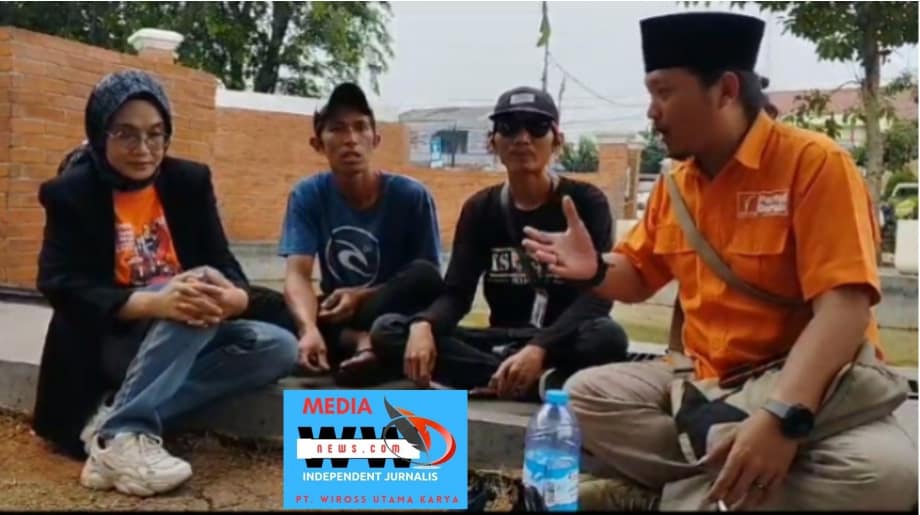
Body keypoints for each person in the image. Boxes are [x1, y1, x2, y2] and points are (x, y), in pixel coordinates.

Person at [521, 12, 917, 511]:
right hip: (707, 385)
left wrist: (780, 418)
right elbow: (639, 275)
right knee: (584, 397)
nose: (651, 112)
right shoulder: (675, 184)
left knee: (886, 477)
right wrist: (595, 269)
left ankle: (661, 497)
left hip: (812, 384)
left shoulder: (815, 166)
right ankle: (722, 484)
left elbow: (845, 311)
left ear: (726, 90)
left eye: (664, 92)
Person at [32, 70, 298, 497]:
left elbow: (222, 262)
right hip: (111, 339)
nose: (143, 149)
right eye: (126, 134)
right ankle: (124, 433)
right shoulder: (71, 193)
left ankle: (113, 425)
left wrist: (233, 297)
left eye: (155, 134)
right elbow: (60, 284)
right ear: (100, 135)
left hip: (183, 332)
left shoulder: (188, 182)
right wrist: (154, 303)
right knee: (189, 292)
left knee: (277, 346)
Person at [370, 86, 629, 402]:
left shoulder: (586, 202)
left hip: (563, 340)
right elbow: (457, 294)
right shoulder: (481, 208)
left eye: (537, 127)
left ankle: (498, 376)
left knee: (608, 337)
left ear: (557, 140)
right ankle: (534, 383)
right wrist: (425, 324)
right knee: (389, 330)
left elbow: (598, 297)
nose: (523, 138)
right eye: (509, 127)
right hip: (500, 338)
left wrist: (539, 348)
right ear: (492, 142)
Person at [278, 82, 444, 386]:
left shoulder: (411, 195)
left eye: (360, 127)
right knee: (266, 305)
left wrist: (362, 296)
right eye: (337, 129)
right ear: (317, 144)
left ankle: (363, 345)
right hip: (337, 314)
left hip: (392, 311)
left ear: (375, 139)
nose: (351, 139)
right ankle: (360, 344)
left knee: (420, 278)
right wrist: (308, 328)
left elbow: (429, 281)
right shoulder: (308, 194)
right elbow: (297, 274)